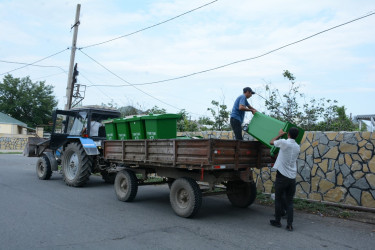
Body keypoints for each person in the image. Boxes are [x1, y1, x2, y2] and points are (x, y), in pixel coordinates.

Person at [269, 127, 300, 231]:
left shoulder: (284, 142)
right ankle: (289, 225)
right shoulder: (297, 147)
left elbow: (271, 142)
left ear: (288, 135)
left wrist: (279, 134)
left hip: (282, 177)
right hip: (292, 177)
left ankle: (277, 221)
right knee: (289, 201)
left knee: (278, 199)